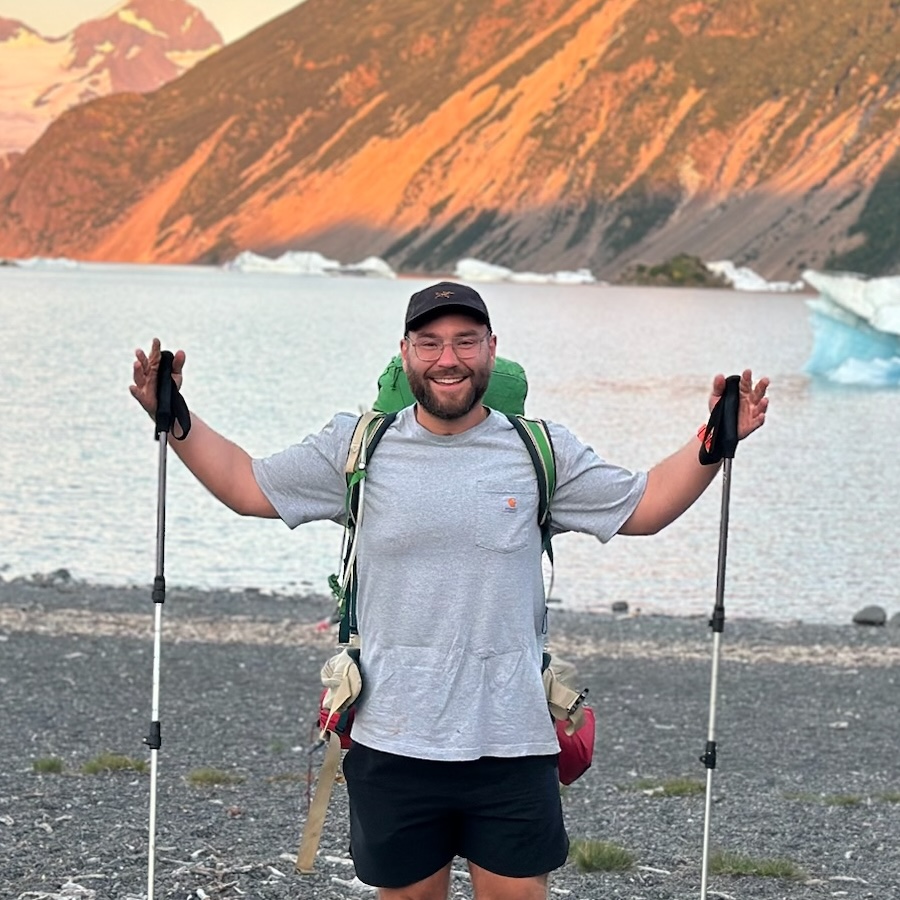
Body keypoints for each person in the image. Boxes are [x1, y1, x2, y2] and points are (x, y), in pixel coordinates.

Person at [130, 281, 769, 900]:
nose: (448, 359)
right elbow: (246, 484)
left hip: (513, 736)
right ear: (405, 353)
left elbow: (646, 505)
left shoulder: (539, 449)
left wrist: (715, 439)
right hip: (392, 736)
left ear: (491, 348)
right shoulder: (359, 448)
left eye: (465, 341)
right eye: (430, 343)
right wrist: (176, 417)